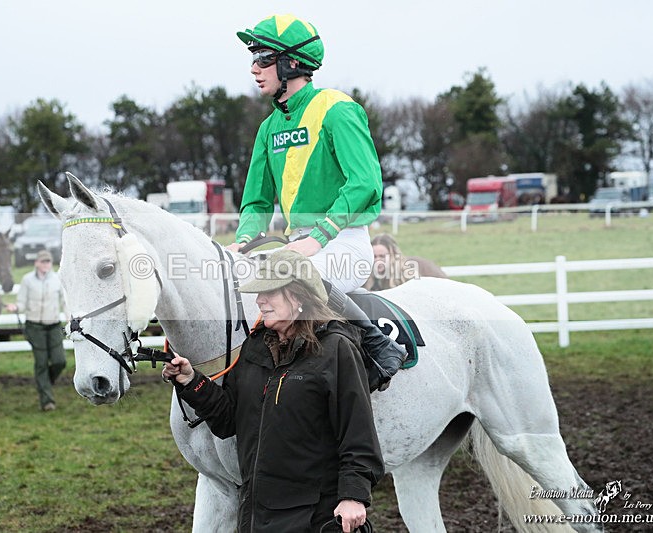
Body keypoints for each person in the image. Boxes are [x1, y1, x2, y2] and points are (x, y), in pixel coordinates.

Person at [226, 14, 405, 391]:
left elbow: (366, 183)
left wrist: (321, 235)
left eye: (262, 57)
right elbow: (256, 201)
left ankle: (378, 346)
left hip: (344, 241)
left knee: (295, 277)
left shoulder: (337, 109)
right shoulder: (268, 128)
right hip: (297, 247)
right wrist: (244, 239)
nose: (253, 68)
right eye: (253, 58)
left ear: (291, 63)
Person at [163, 249, 384, 533]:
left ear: (298, 297)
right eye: (259, 293)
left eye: (269, 293)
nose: (259, 300)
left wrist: (353, 496)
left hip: (315, 517)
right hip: (257, 514)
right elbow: (229, 419)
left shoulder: (336, 350)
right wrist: (191, 381)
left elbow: (358, 433)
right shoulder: (255, 348)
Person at [6, 250, 66, 411]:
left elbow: (64, 302)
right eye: (43, 261)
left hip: (53, 325)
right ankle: (47, 400)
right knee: (41, 363)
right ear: (37, 263)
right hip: (35, 326)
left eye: (48, 261)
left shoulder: (57, 279)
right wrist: (16, 307)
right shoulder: (27, 280)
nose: (46, 264)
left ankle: (45, 383)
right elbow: (22, 302)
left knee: (60, 361)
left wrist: (71, 319)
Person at [364, 233, 447, 291]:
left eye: (382, 256)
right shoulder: (365, 275)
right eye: (374, 256)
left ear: (393, 255)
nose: (377, 260)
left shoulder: (407, 274)